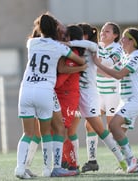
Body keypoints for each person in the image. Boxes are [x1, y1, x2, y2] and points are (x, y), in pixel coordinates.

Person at [14, 13, 86, 179]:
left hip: (25, 90)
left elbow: (40, 38)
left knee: (27, 133)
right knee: (48, 132)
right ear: (55, 29)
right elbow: (80, 61)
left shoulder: (31, 43)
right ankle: (50, 169)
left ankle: (20, 168)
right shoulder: (60, 47)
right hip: (45, 91)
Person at [69, 23, 127, 173]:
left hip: (112, 92)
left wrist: (95, 66)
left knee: (112, 128)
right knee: (89, 125)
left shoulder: (117, 48)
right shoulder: (95, 46)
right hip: (98, 91)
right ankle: (91, 160)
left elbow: (107, 63)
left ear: (115, 35)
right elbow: (96, 65)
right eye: (102, 31)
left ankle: (126, 159)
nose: (103, 33)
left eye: (107, 31)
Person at [93, 27, 138, 173]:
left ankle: (132, 160)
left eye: (124, 37)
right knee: (116, 132)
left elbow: (119, 75)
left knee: (114, 126)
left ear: (132, 41)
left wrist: (97, 63)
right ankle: (130, 162)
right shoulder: (125, 56)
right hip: (125, 100)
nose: (121, 40)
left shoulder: (136, 56)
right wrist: (92, 68)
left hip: (135, 100)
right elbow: (111, 74)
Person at [54, 24, 86, 171]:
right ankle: (63, 160)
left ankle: (72, 164)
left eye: (65, 35)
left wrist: (51, 85)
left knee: (64, 131)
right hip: (62, 95)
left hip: (67, 96)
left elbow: (63, 73)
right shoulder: (68, 52)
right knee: (58, 130)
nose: (62, 37)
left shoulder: (72, 52)